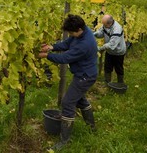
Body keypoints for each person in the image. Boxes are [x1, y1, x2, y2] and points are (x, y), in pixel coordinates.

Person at [38, 14, 98, 149]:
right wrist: (52, 47)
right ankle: (91, 127)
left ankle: (65, 140)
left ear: (79, 29)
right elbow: (68, 43)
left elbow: (65, 58)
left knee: (68, 102)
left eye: (71, 32)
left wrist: (47, 56)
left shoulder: (85, 44)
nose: (70, 34)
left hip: (85, 76)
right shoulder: (81, 31)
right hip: (83, 73)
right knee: (79, 99)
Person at [93, 14, 127, 87]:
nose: (103, 25)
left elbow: (111, 46)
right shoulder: (105, 25)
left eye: (104, 24)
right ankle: (107, 83)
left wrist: (99, 48)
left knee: (118, 67)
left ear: (109, 23)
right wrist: (94, 34)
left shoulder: (117, 30)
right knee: (107, 67)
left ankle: (120, 83)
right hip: (110, 51)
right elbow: (101, 33)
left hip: (118, 52)